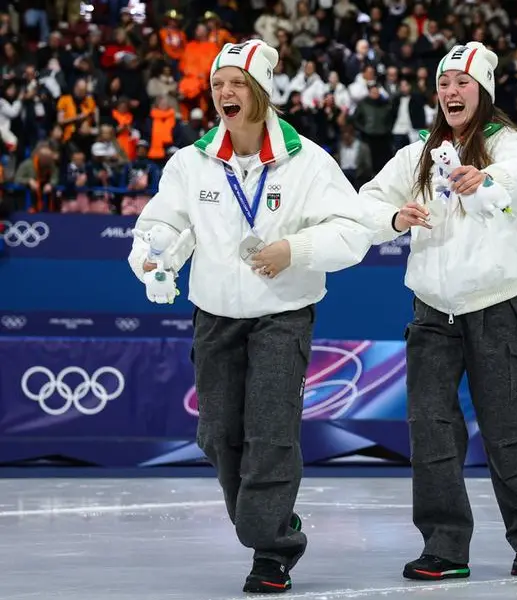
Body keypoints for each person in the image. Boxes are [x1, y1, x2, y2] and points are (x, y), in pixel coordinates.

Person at [127, 40, 382, 594]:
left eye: (237, 84)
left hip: (281, 317)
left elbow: (353, 231)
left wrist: (296, 250)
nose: (225, 93)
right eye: (219, 84)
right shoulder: (191, 162)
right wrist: (155, 258)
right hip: (214, 315)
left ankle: (271, 548)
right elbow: (163, 226)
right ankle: (266, 523)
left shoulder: (309, 160)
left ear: (262, 92)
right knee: (218, 434)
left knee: (270, 431)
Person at [359, 41, 517, 580]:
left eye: (462, 84)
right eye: (445, 84)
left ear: (483, 92)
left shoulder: (506, 144)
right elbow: (366, 200)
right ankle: (445, 547)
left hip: (494, 308)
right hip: (431, 313)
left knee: (505, 430)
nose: (451, 92)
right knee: (430, 429)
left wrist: (488, 180)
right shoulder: (419, 152)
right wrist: (395, 219)